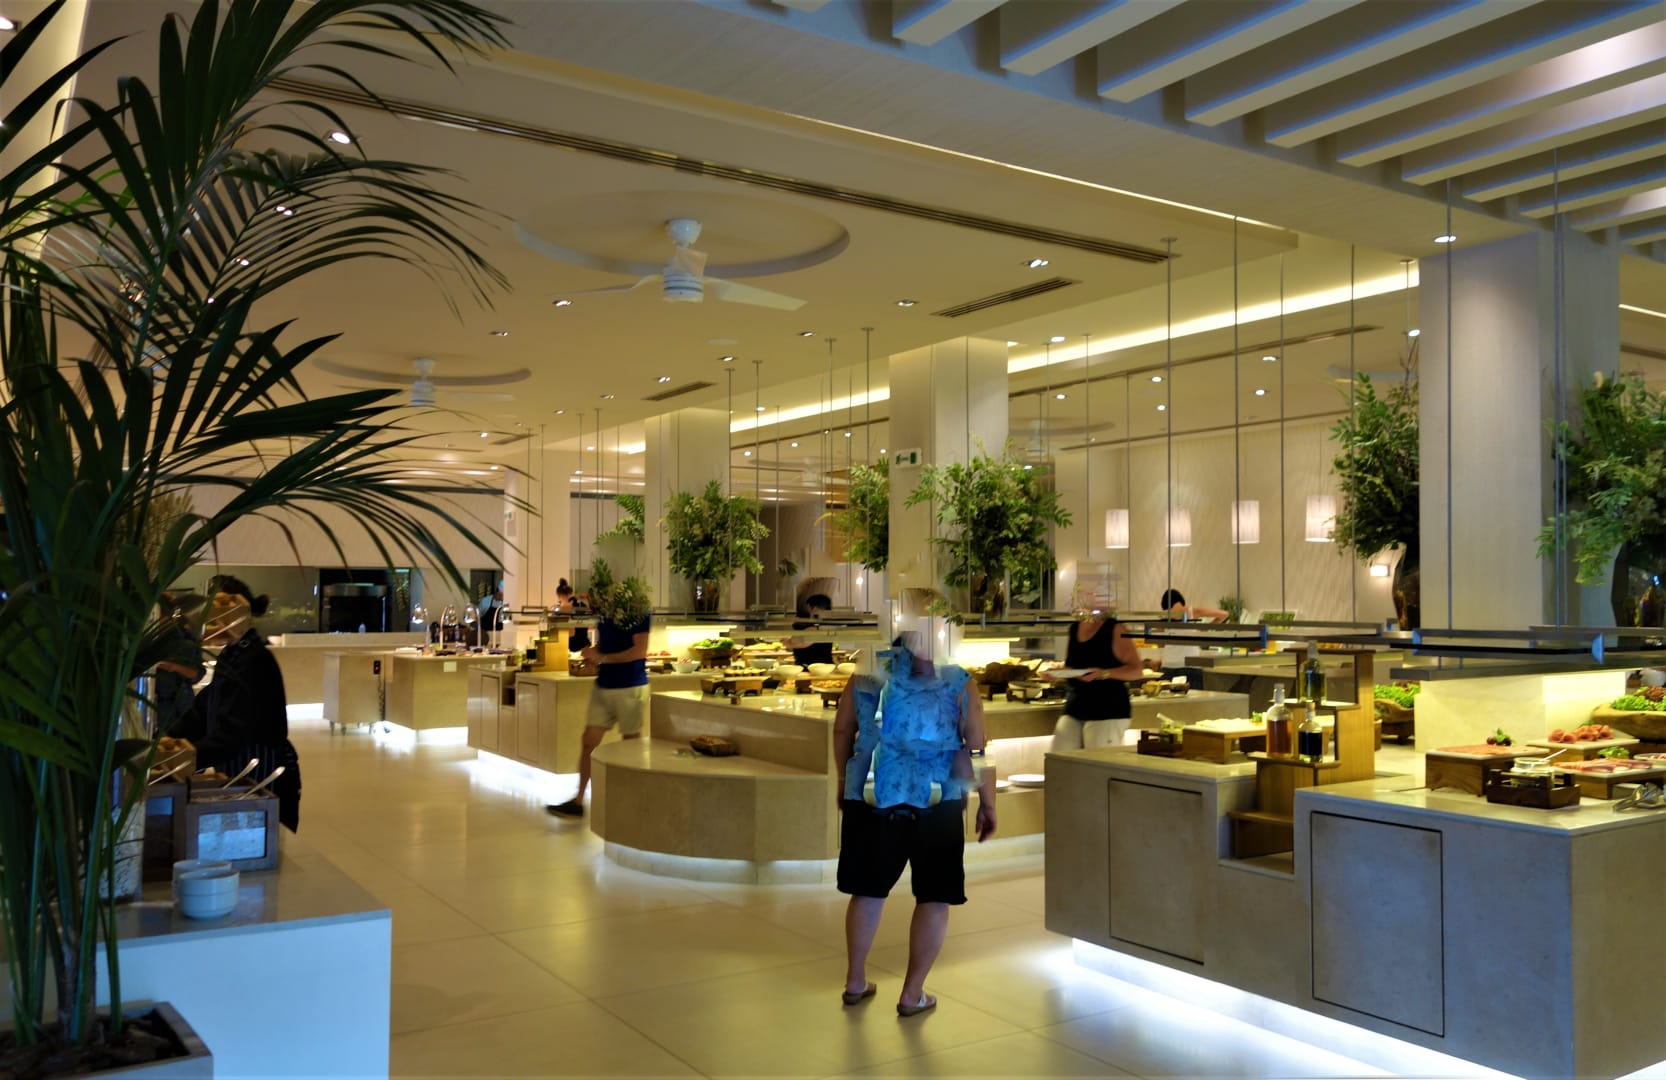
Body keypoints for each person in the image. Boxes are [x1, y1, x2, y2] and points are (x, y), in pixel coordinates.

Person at [833, 632, 995, 1018]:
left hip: (873, 794)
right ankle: (912, 993)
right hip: (937, 799)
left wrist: (843, 780)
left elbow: (842, 729)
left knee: (867, 890)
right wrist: (988, 801)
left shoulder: (866, 674)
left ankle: (855, 981)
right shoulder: (959, 680)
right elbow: (976, 746)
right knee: (934, 896)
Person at [188, 576, 303, 831]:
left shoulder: (254, 660)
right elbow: (204, 708)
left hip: (258, 767)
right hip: (237, 763)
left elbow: (233, 733)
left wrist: (190, 758)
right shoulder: (233, 654)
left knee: (254, 835)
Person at [545, 591, 650, 818]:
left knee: (631, 744)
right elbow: (606, 645)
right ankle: (579, 800)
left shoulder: (638, 611)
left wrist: (603, 658)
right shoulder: (605, 613)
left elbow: (640, 650)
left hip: (630, 686)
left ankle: (636, 800)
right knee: (588, 741)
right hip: (604, 685)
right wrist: (595, 654)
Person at [1047, 605, 1148, 752]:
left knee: (1096, 762)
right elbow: (1073, 668)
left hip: (1107, 708)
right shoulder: (1074, 628)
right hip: (1075, 706)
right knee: (1059, 758)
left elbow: (1136, 671)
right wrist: (1056, 673)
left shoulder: (1114, 629)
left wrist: (1103, 673)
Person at [152, 592, 205, 738]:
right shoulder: (146, 639)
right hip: (155, 709)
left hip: (181, 709)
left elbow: (197, 674)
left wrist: (173, 667)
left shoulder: (186, 639)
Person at [783, 592, 834, 667]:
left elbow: (803, 643)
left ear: (814, 608)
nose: (807, 610)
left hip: (814, 667)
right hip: (823, 666)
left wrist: (787, 642)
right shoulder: (826, 623)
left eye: (808, 607)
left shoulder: (817, 626)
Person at [1160, 588, 1229, 623]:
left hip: (1170, 647)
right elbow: (1224, 614)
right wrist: (1207, 628)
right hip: (1190, 646)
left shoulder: (1165, 616)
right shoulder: (1190, 611)